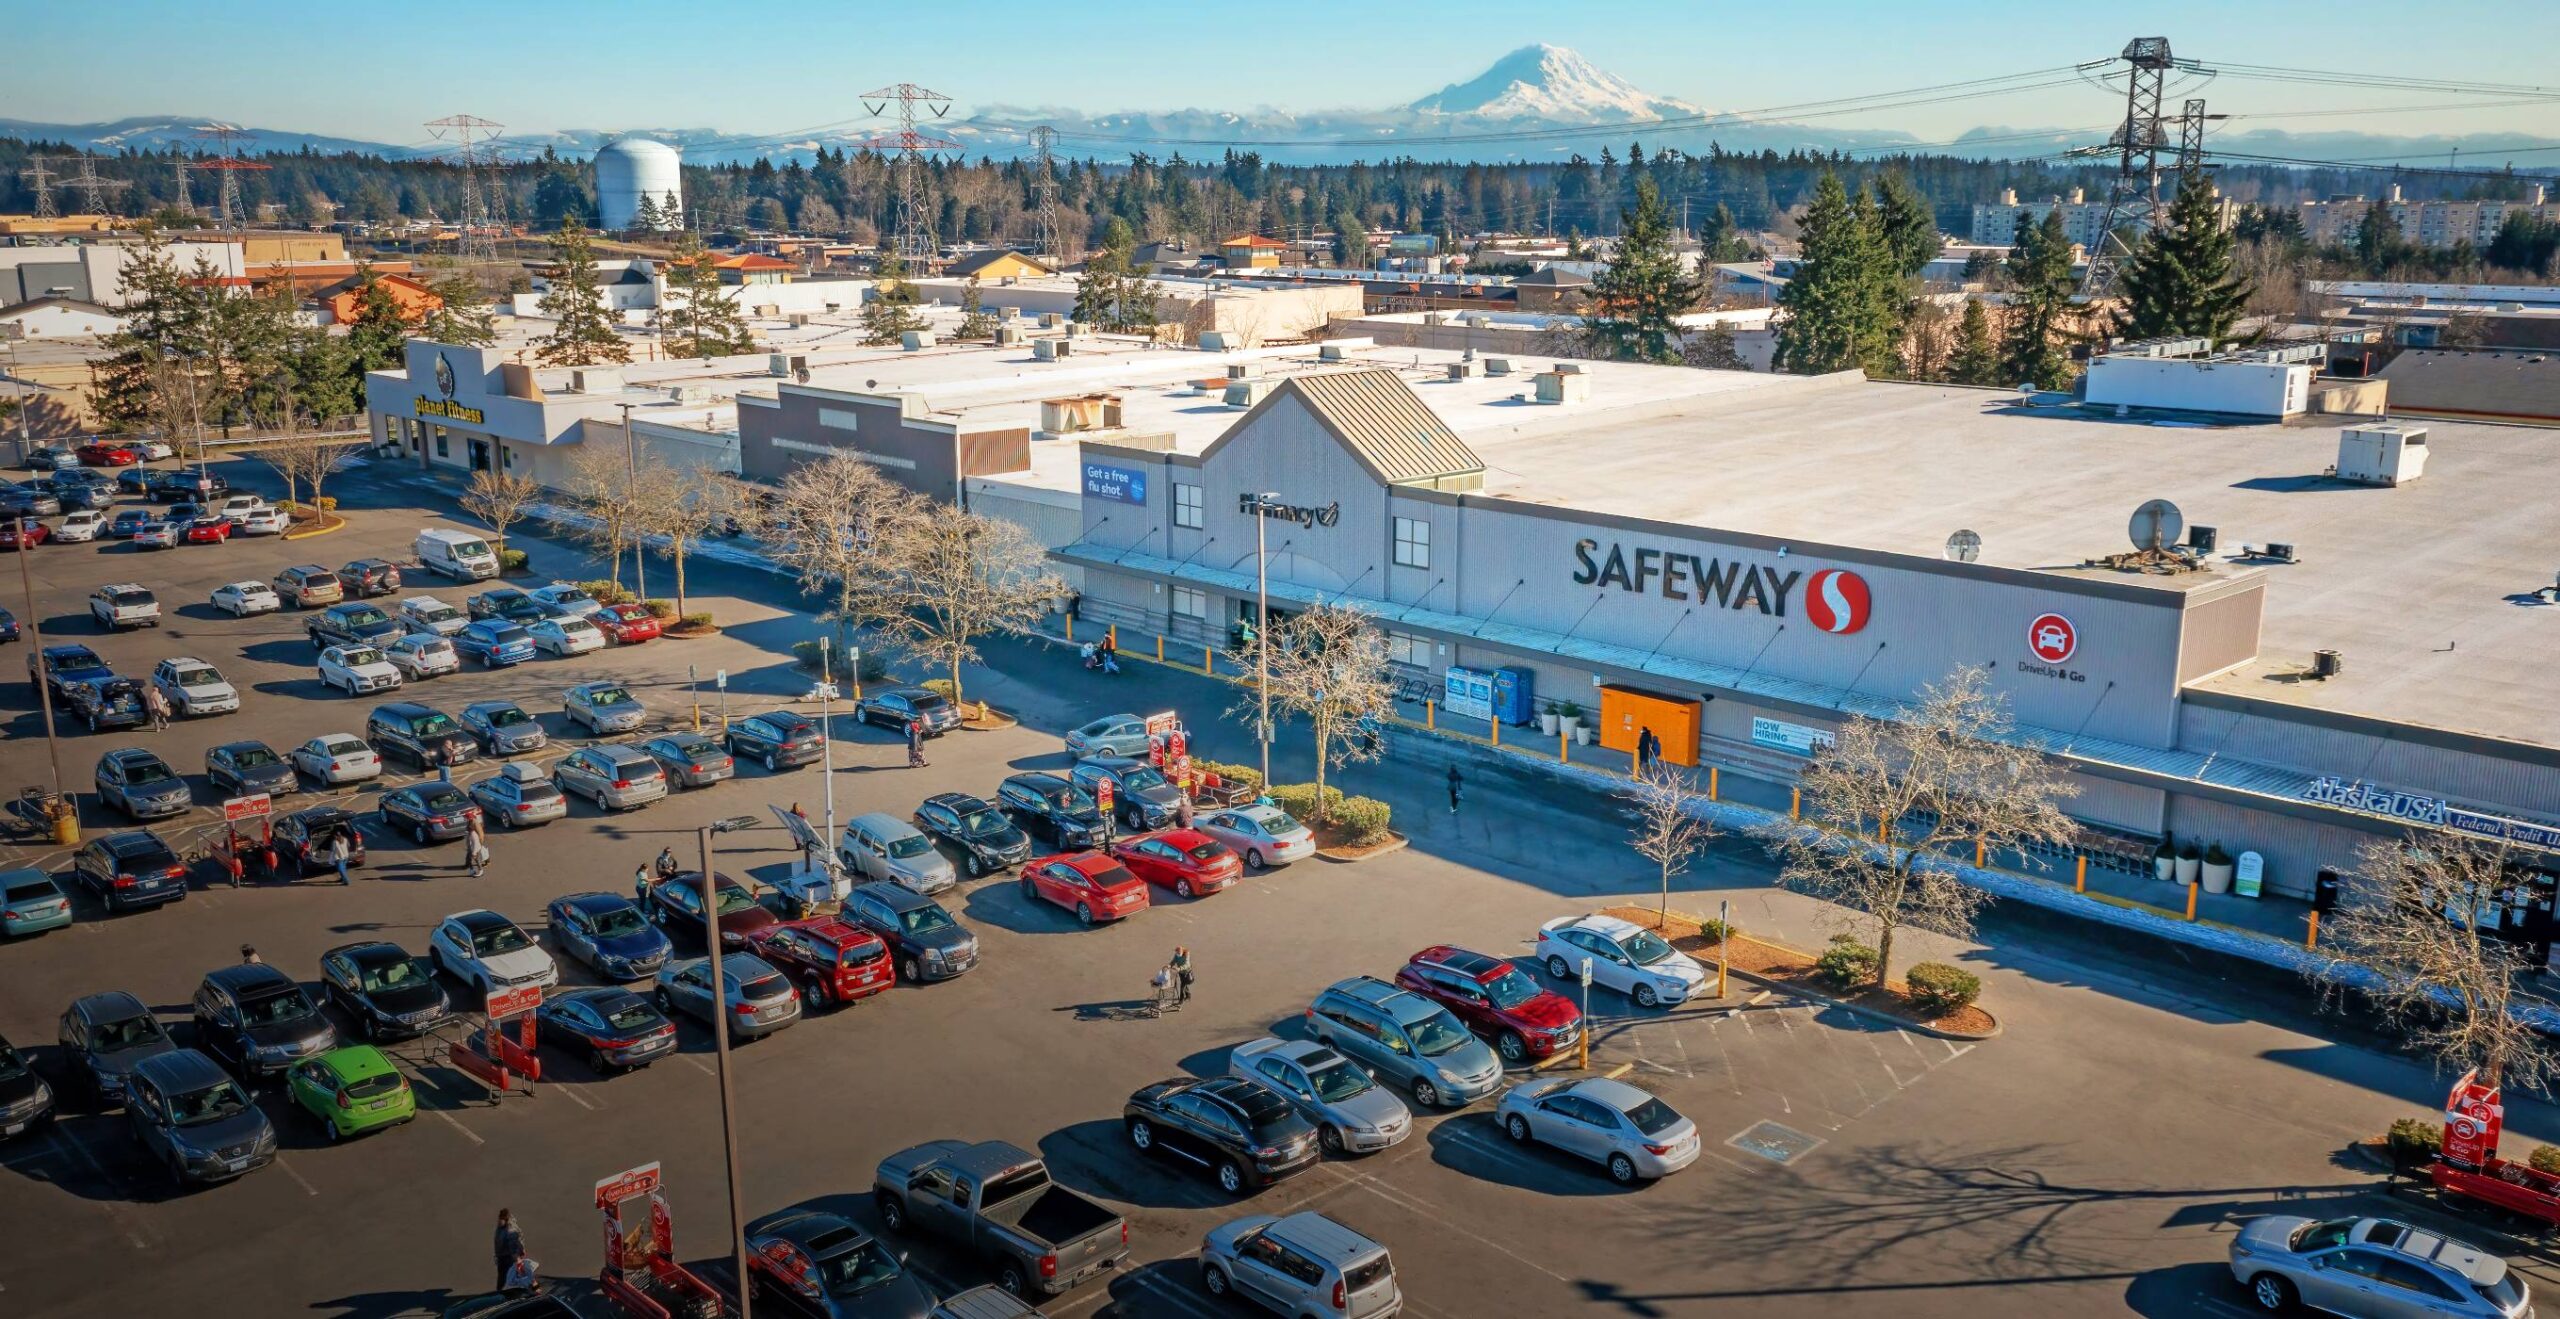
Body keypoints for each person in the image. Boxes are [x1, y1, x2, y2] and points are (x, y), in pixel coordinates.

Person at [493, 1209, 525, 1296]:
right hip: (506, 1258)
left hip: (505, 1257)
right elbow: (513, 1244)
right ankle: (512, 1294)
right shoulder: (506, 1228)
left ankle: (500, 1293)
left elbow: (511, 1246)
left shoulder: (503, 1229)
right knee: (512, 1276)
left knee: (503, 1277)